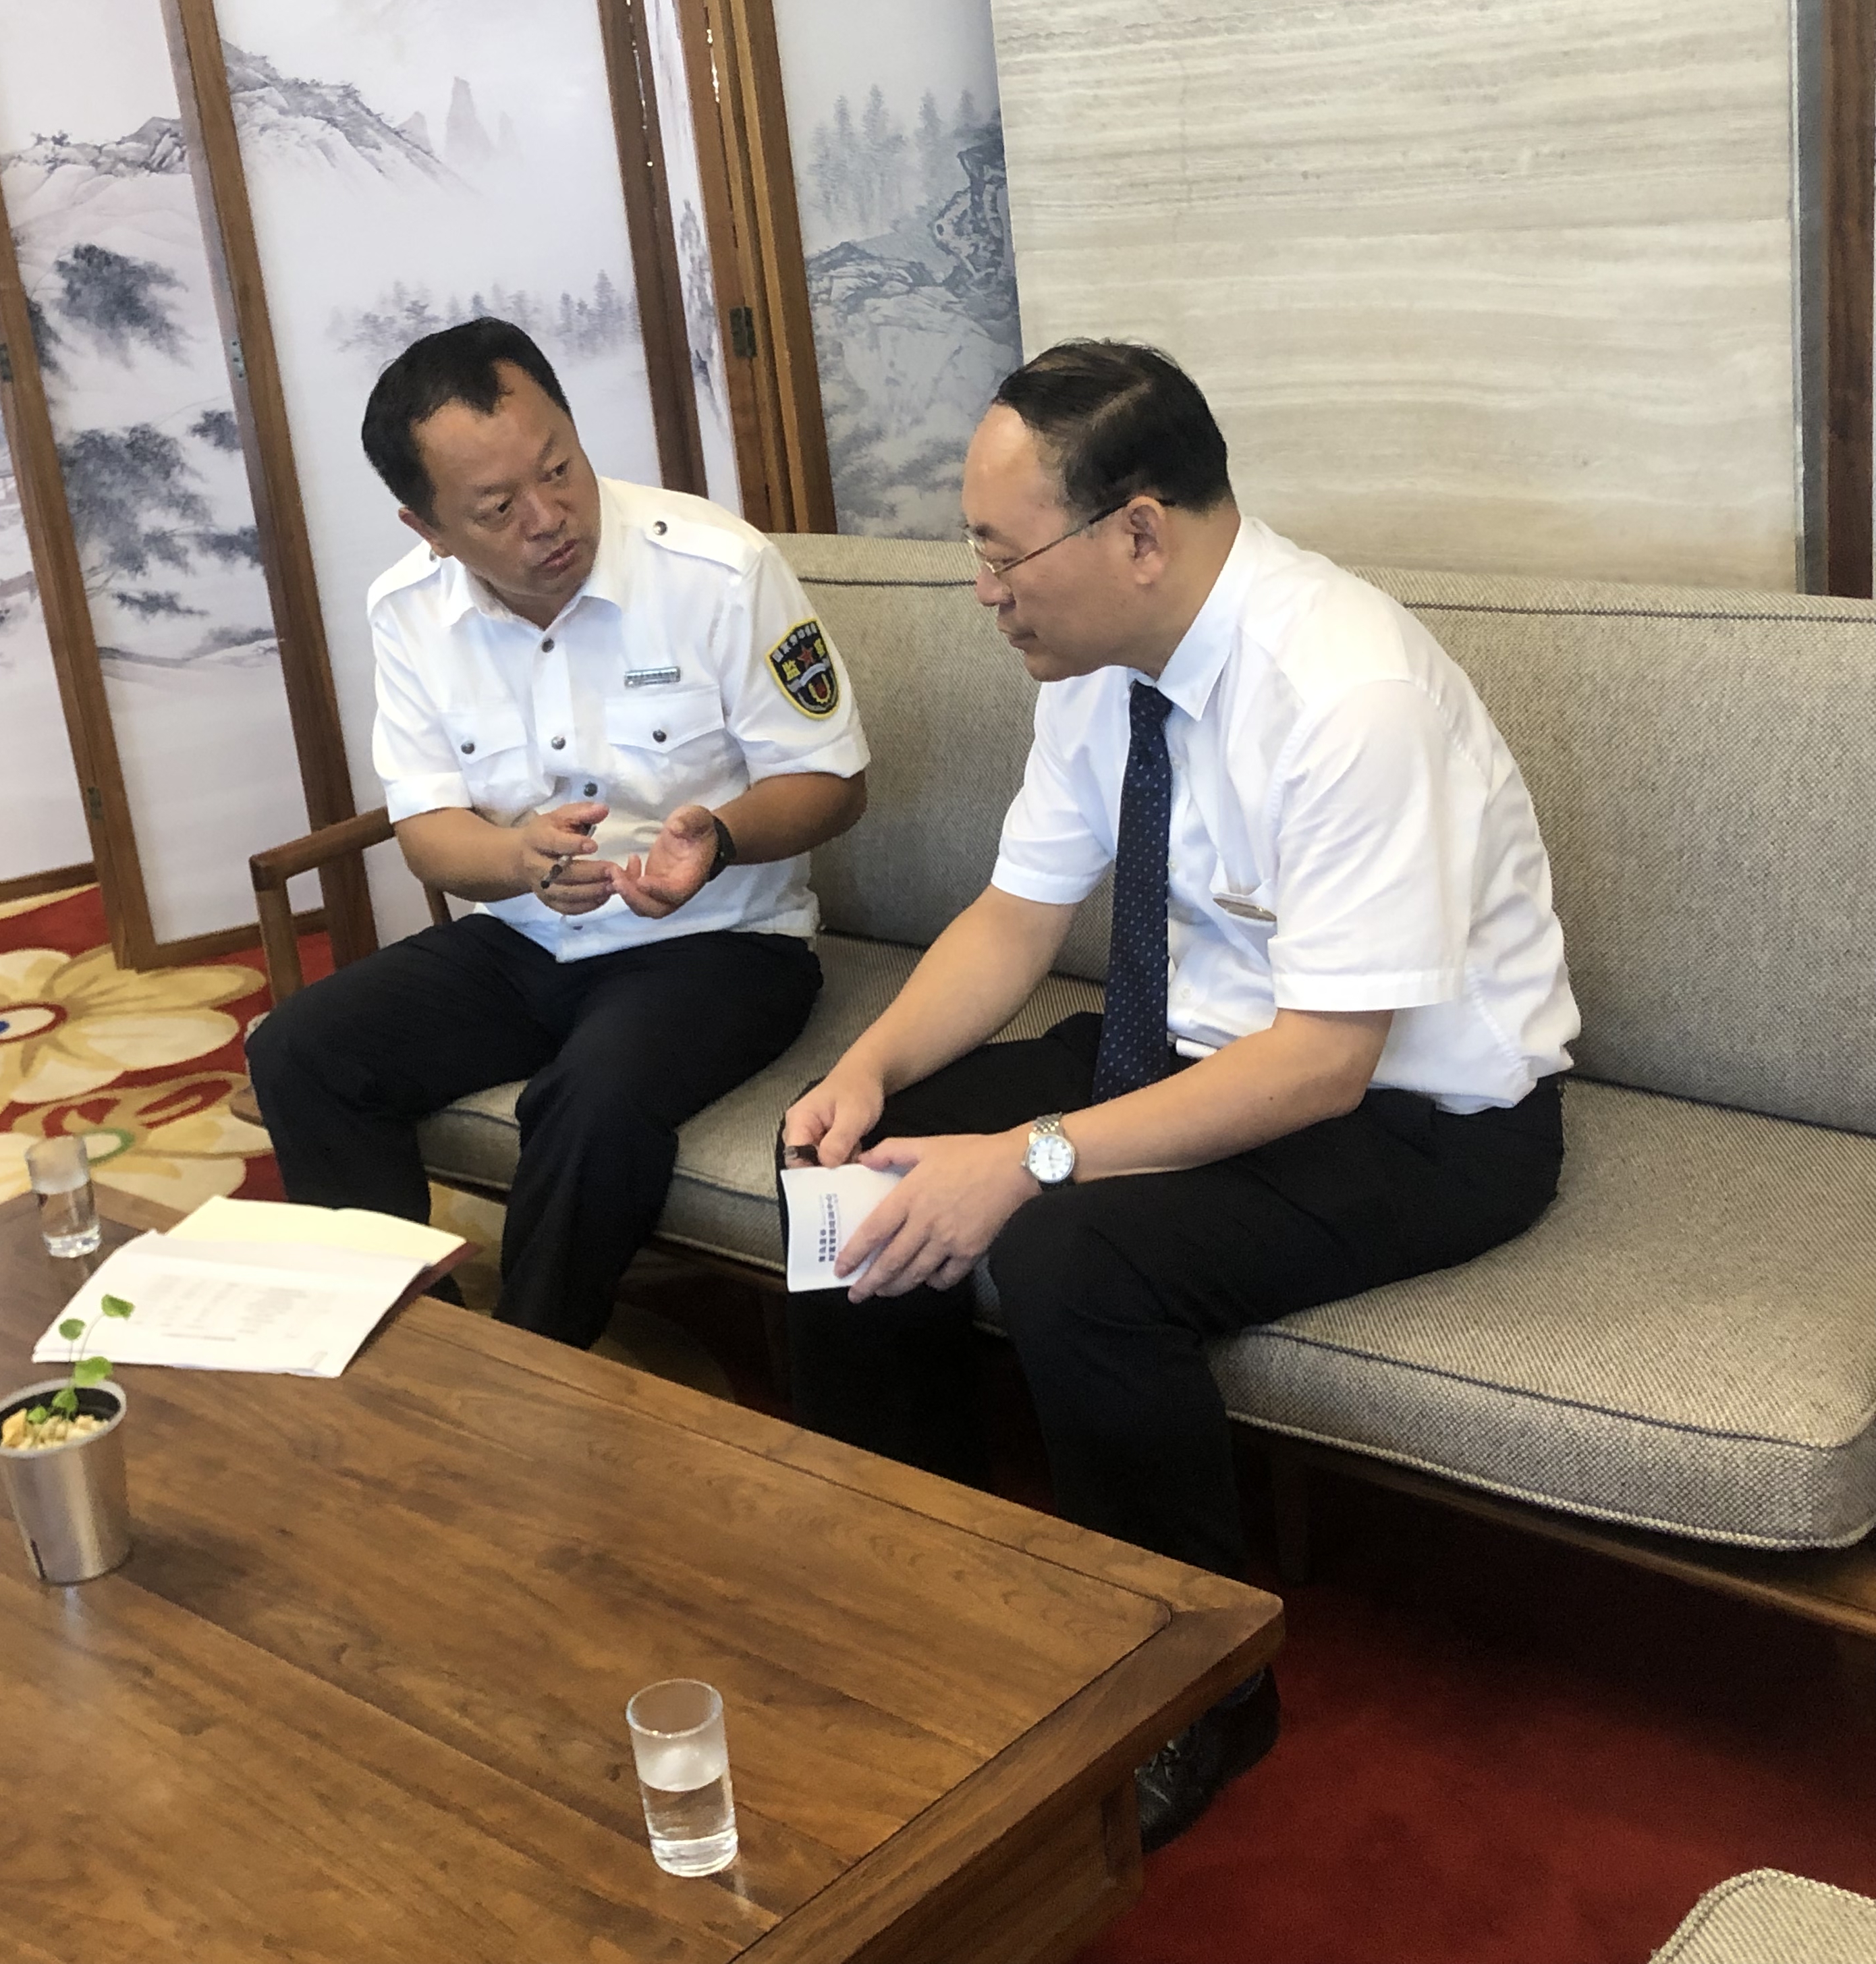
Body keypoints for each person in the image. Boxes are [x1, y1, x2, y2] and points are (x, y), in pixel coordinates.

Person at [783, 341, 1575, 1849]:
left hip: (1424, 1118)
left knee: (1076, 1258)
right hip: (1199, 1052)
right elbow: (1015, 918)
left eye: (1003, 554)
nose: (985, 591)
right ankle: (925, 1580)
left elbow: (1326, 1060)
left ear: (1138, 532)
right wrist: (865, 1070)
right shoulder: (1097, 667)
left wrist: (1034, 1155)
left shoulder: (1347, 691)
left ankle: (1201, 1695)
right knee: (857, 1164)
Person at [249, 318, 869, 1346]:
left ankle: (526, 1373)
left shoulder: (717, 567)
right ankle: (413, 1348)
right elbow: (427, 828)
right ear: (428, 527)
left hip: (720, 947)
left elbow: (834, 784)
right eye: (498, 508)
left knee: (591, 1100)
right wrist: (514, 860)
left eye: (559, 468)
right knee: (300, 1050)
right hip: (526, 941)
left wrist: (717, 839)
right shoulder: (408, 611)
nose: (549, 518)